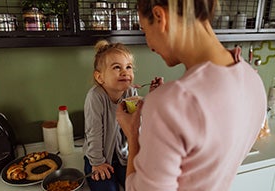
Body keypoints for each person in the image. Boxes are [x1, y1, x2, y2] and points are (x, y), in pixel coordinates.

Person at [116, 1, 267, 191]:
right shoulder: (252, 79)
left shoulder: (170, 103)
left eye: (145, 31)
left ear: (160, 17)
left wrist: (132, 135)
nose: (149, 45)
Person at [83, 40, 137, 191]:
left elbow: (134, 127)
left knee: (137, 185)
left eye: (128, 67)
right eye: (117, 67)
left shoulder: (131, 93)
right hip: (97, 156)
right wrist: (97, 162)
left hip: (122, 155)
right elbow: (93, 133)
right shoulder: (95, 97)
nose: (125, 72)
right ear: (100, 78)